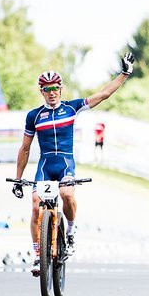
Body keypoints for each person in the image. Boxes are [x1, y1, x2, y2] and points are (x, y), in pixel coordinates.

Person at [12, 53, 133, 275]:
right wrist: (18, 179)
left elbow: (104, 94)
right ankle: (39, 254)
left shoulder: (71, 108)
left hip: (65, 163)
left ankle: (70, 230)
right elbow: (25, 148)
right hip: (45, 165)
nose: (51, 93)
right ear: (41, 92)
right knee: (36, 204)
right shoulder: (34, 116)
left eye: (55, 88)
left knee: (67, 194)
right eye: (46, 89)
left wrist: (125, 74)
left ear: (61, 89)